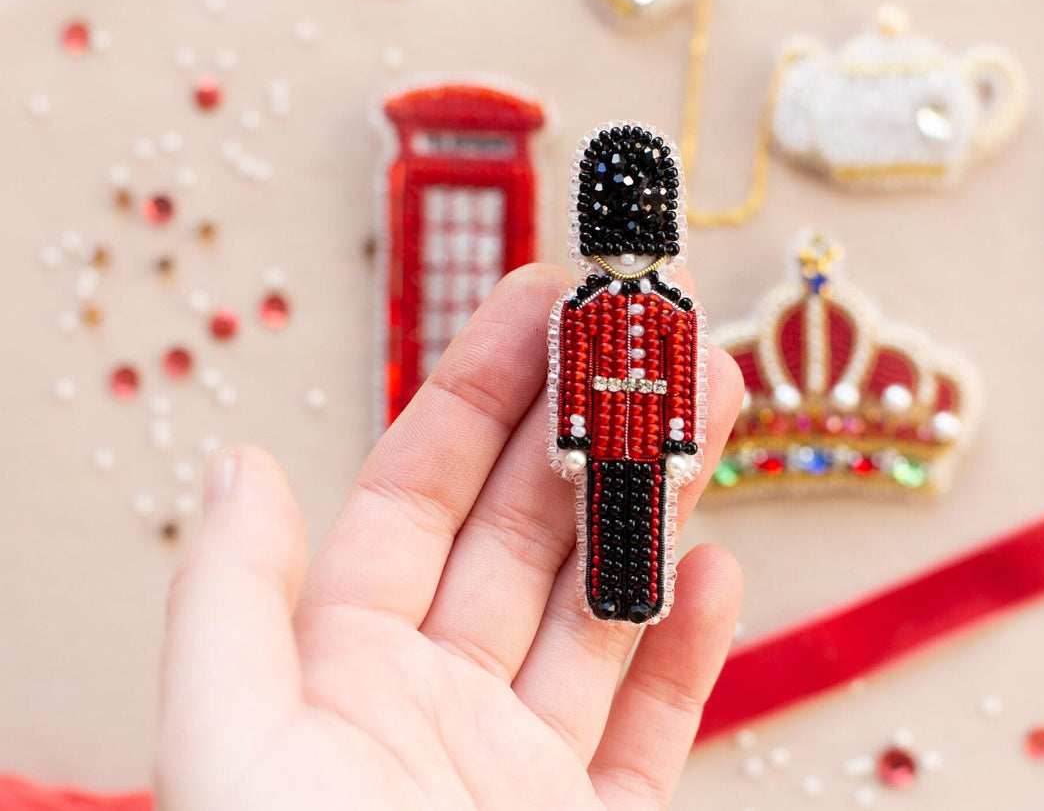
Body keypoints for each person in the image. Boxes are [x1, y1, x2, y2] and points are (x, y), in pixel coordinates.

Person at [155, 263, 744, 811]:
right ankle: (610, 587)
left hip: (647, 440)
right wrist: (571, 436)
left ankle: (634, 589)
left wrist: (680, 443)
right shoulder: (584, 308)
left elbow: (685, 383)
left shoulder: (674, 313)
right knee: (603, 516)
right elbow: (575, 376)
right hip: (603, 439)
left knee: (640, 522)